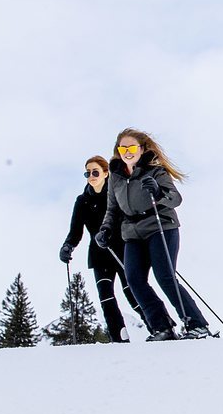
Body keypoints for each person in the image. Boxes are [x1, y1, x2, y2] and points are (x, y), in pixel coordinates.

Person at [96, 128, 211, 341]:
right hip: (132, 232)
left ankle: (197, 325)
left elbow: (175, 198)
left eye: (131, 147)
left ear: (141, 149)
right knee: (134, 279)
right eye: (123, 148)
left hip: (161, 227)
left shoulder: (155, 171)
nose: (127, 152)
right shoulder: (116, 177)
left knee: (164, 275)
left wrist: (158, 192)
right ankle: (162, 327)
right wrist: (105, 229)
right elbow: (112, 208)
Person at [58, 155, 152, 342]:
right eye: (87, 173)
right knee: (106, 297)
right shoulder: (82, 201)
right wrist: (68, 246)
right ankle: (118, 336)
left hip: (122, 249)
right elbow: (75, 230)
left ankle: (157, 326)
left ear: (105, 173)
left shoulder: (116, 193)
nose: (91, 176)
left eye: (95, 172)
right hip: (100, 254)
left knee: (132, 292)